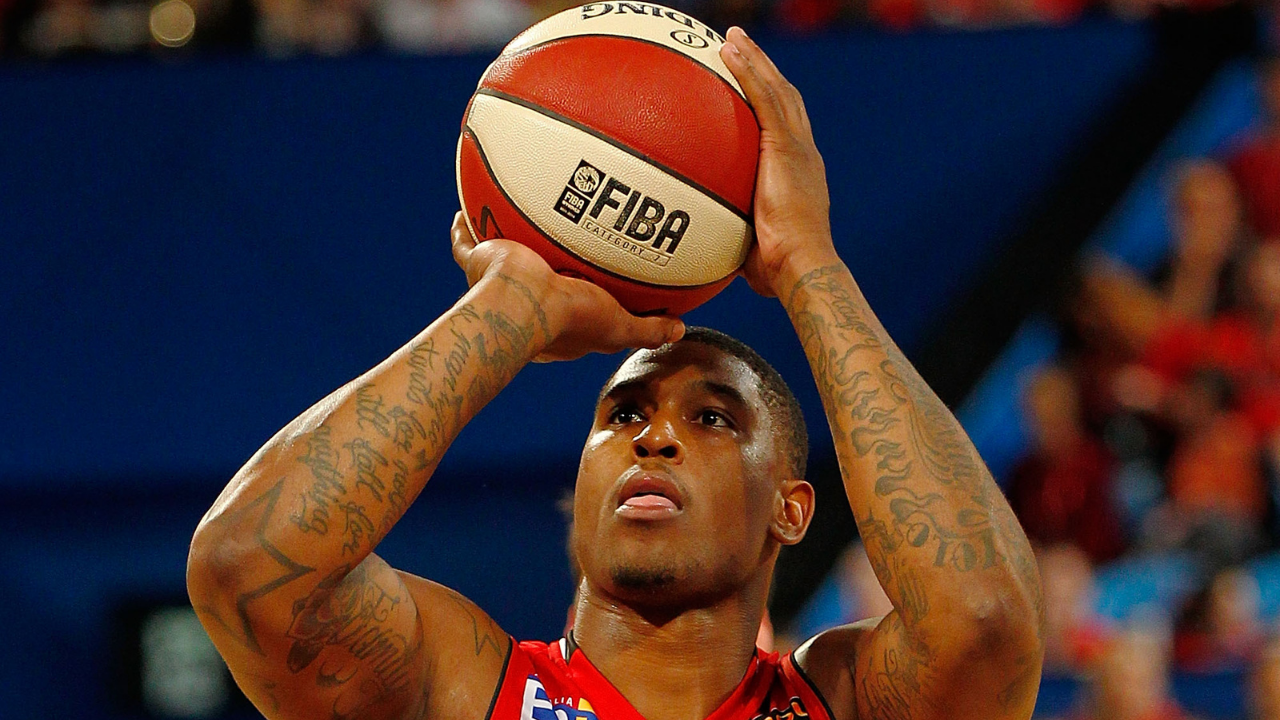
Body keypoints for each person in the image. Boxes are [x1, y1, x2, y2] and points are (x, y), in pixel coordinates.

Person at [186, 27, 1045, 720]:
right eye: (622, 415)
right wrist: (511, 307)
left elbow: (984, 621)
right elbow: (247, 565)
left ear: (791, 508)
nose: (654, 437)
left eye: (713, 418)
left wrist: (809, 264)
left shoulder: (839, 700)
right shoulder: (459, 689)